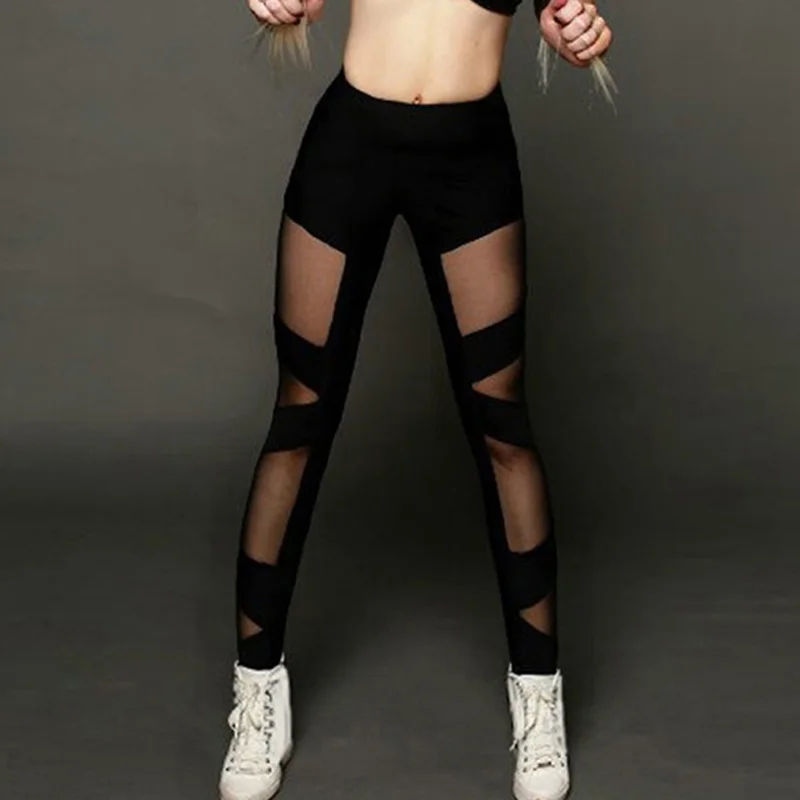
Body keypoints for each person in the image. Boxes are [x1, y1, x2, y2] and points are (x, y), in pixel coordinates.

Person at [219, 1, 613, 799]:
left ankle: (539, 693)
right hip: (351, 148)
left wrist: (580, 32)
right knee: (301, 413)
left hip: (470, 160)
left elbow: (573, 18)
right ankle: (257, 690)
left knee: (502, 424)